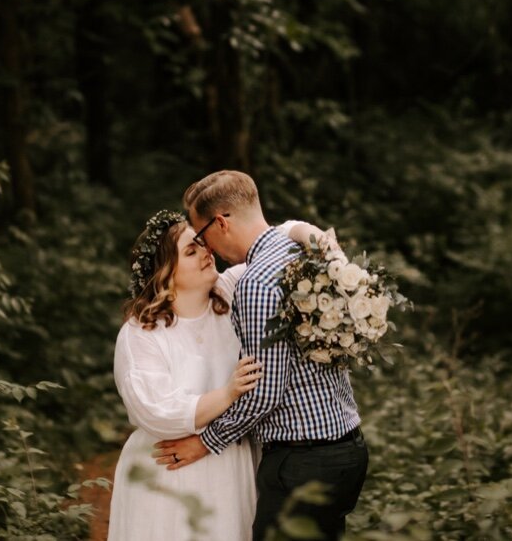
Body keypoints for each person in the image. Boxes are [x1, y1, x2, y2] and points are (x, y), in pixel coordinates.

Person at [153, 170, 369, 541]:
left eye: (202, 236)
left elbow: (264, 391)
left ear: (220, 223)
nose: (207, 251)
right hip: (348, 448)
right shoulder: (303, 252)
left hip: (301, 461)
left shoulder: (256, 283)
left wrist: (205, 442)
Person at [108, 207, 326, 540]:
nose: (207, 254)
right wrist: (228, 393)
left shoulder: (232, 290)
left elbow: (278, 237)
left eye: (203, 245)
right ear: (165, 272)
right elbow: (154, 410)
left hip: (231, 462)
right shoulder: (141, 333)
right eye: (191, 251)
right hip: (169, 468)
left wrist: (324, 245)